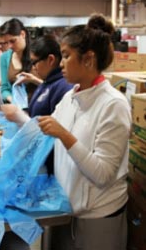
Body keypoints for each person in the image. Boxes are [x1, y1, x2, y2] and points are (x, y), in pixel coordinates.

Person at [37, 14, 132, 250]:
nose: (60, 63)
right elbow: (45, 129)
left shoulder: (113, 105)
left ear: (88, 59)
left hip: (99, 217)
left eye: (67, 56)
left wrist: (65, 135)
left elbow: (102, 173)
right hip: (69, 209)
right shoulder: (71, 97)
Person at [1, 34, 73, 174]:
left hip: (50, 166)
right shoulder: (47, 83)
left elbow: (54, 132)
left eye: (35, 62)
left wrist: (20, 117)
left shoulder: (63, 88)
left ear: (51, 60)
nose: (33, 67)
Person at [0, 18, 35, 104]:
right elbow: (5, 89)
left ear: (22, 34)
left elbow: (48, 86)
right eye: (7, 42)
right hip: (17, 109)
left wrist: (34, 80)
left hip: (37, 107)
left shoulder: (38, 54)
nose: (10, 46)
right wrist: (14, 102)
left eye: (13, 41)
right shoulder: (4, 58)